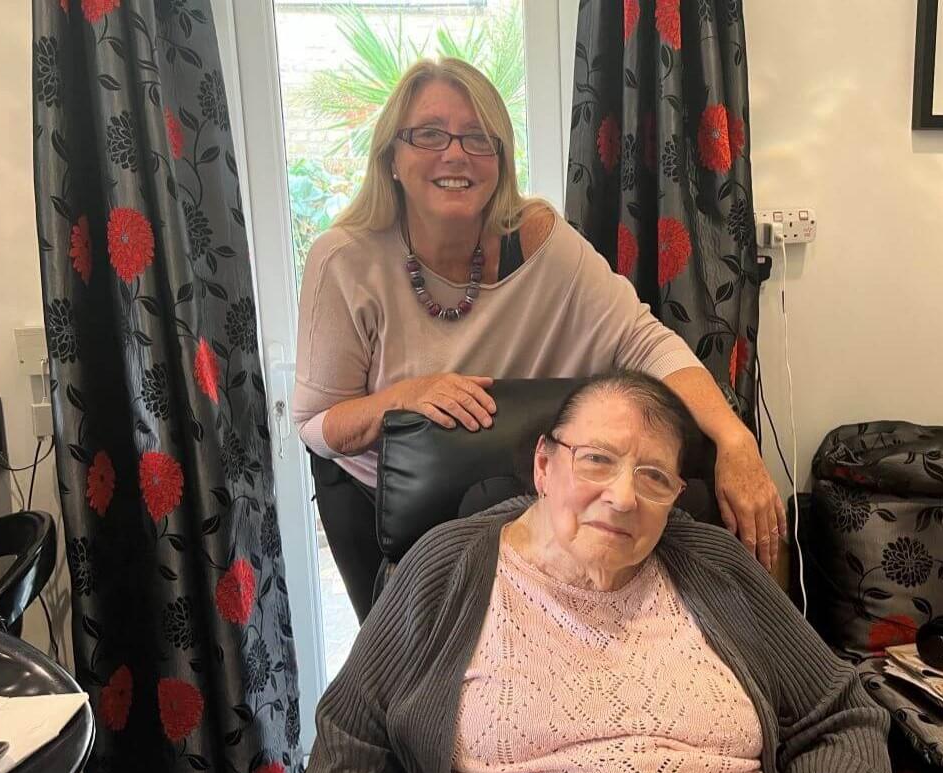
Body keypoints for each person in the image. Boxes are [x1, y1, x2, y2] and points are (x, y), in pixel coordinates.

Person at [293, 56, 785, 620]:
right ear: (392, 159)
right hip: (381, 499)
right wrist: (402, 397)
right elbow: (315, 424)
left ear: (501, 162)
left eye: (479, 139)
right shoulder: (344, 259)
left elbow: (645, 340)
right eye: (429, 135)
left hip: (508, 488)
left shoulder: (541, 240)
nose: (455, 154)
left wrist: (735, 440)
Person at [305, 372, 893, 773]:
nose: (622, 497)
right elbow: (349, 748)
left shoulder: (715, 565)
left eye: (654, 476)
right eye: (595, 460)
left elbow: (841, 718)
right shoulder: (447, 566)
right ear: (543, 465)